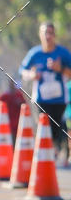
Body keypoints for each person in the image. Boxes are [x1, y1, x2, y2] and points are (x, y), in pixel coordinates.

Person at [20, 21, 71, 166]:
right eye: (45, 33)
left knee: (56, 129)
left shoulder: (63, 53)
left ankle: (57, 152)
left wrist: (60, 69)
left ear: (54, 35)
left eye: (51, 33)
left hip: (59, 99)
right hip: (40, 99)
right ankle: (42, 157)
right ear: (40, 35)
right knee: (43, 125)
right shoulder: (35, 53)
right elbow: (22, 71)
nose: (48, 36)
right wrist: (31, 75)